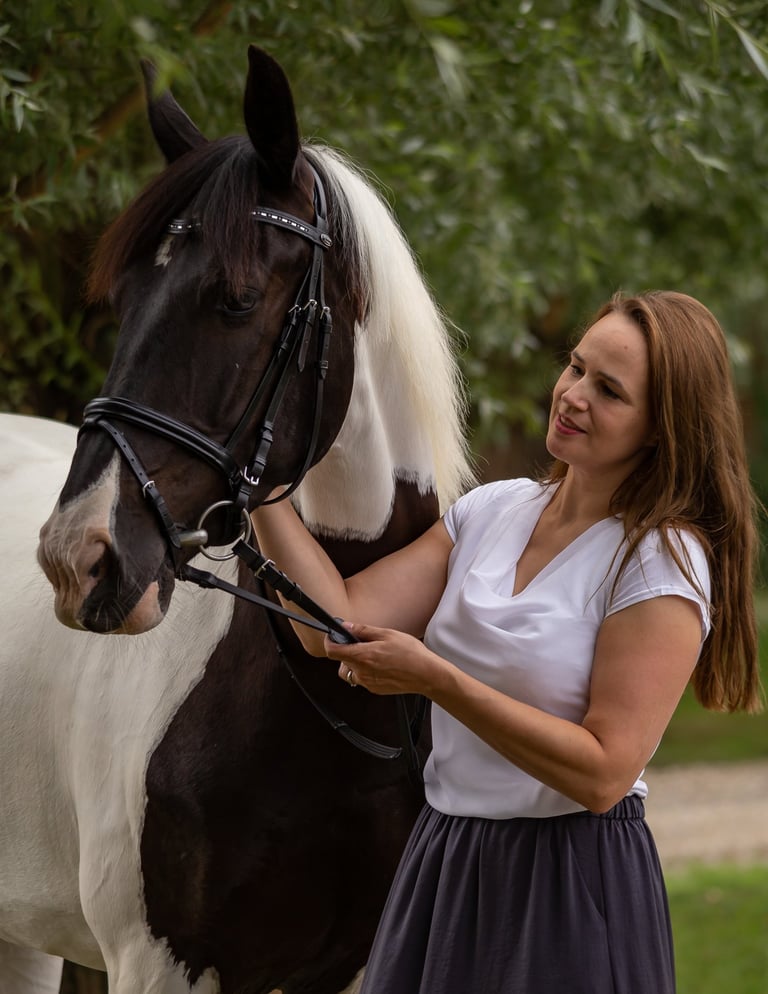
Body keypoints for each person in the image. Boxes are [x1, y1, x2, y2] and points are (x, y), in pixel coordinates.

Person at [251, 290, 763, 994]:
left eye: (609, 391)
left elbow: (604, 773)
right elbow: (332, 623)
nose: (574, 395)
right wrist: (261, 490)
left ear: (660, 429)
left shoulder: (659, 559)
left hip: (568, 881)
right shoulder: (493, 510)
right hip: (447, 860)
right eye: (576, 367)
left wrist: (437, 680)